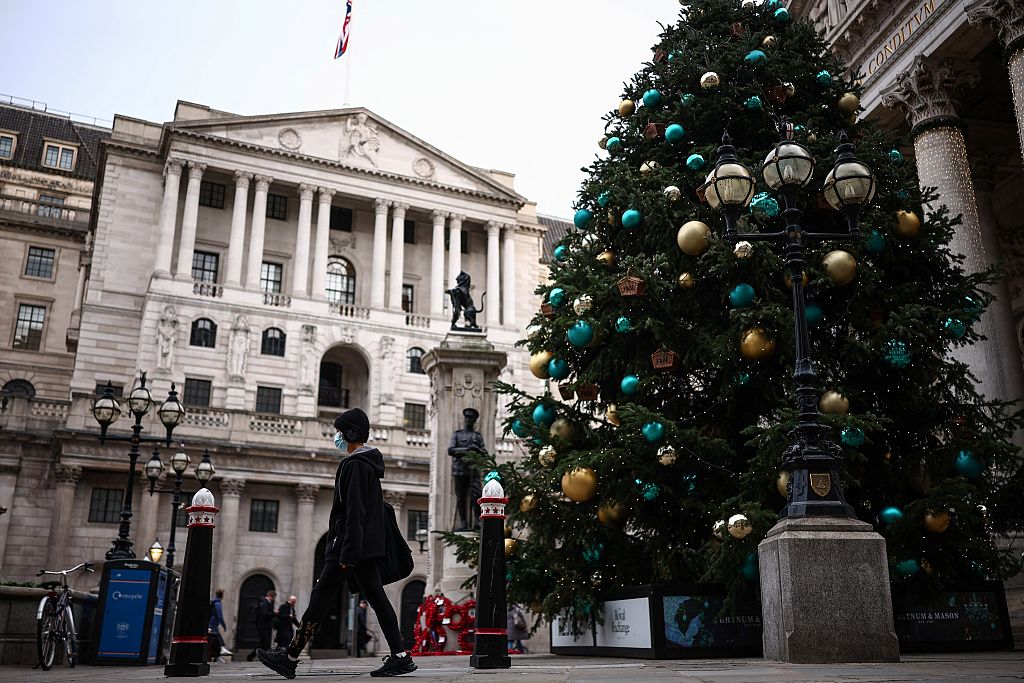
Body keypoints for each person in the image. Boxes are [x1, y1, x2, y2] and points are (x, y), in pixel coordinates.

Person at [257, 408, 416, 679]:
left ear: (350, 433)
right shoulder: (368, 466)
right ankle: (400, 656)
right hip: (358, 548)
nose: (337, 436)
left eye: (340, 431)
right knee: (377, 599)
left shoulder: (355, 465)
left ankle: (290, 657)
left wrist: (347, 554)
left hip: (348, 547)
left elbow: (355, 513)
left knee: (321, 598)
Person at [447, 408, 486, 531]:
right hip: (459, 470)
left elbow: (485, 452)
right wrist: (467, 450)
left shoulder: (477, 436)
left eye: (471, 418)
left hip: (473, 470)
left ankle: (477, 521)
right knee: (461, 497)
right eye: (467, 418)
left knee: (477, 495)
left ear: (474, 421)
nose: (468, 420)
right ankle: (463, 523)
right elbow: (451, 450)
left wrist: (477, 450)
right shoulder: (457, 434)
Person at [247, 590, 276, 661]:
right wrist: (274, 613)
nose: (273, 599)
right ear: (270, 596)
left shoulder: (266, 603)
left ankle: (256, 656)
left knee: (264, 643)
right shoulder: (264, 603)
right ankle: (252, 656)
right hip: (263, 627)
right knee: (264, 643)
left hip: (265, 626)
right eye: (273, 597)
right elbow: (265, 614)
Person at [208, 588, 232, 662]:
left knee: (215, 639)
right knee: (216, 638)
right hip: (213, 624)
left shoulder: (214, 602)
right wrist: (224, 625)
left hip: (212, 623)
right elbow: (219, 616)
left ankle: (218, 654)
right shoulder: (218, 603)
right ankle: (220, 651)